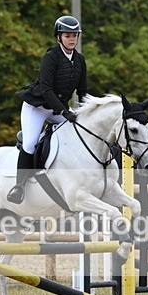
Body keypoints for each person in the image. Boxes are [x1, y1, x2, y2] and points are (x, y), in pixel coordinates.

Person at [7, 15, 88, 204]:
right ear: (59, 37)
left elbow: (83, 91)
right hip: (37, 107)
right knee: (30, 144)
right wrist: (64, 111)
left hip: (59, 108)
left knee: (79, 134)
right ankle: (19, 187)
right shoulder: (51, 56)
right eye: (68, 35)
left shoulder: (80, 60)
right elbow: (46, 89)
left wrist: (85, 113)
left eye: (75, 35)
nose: (72, 39)